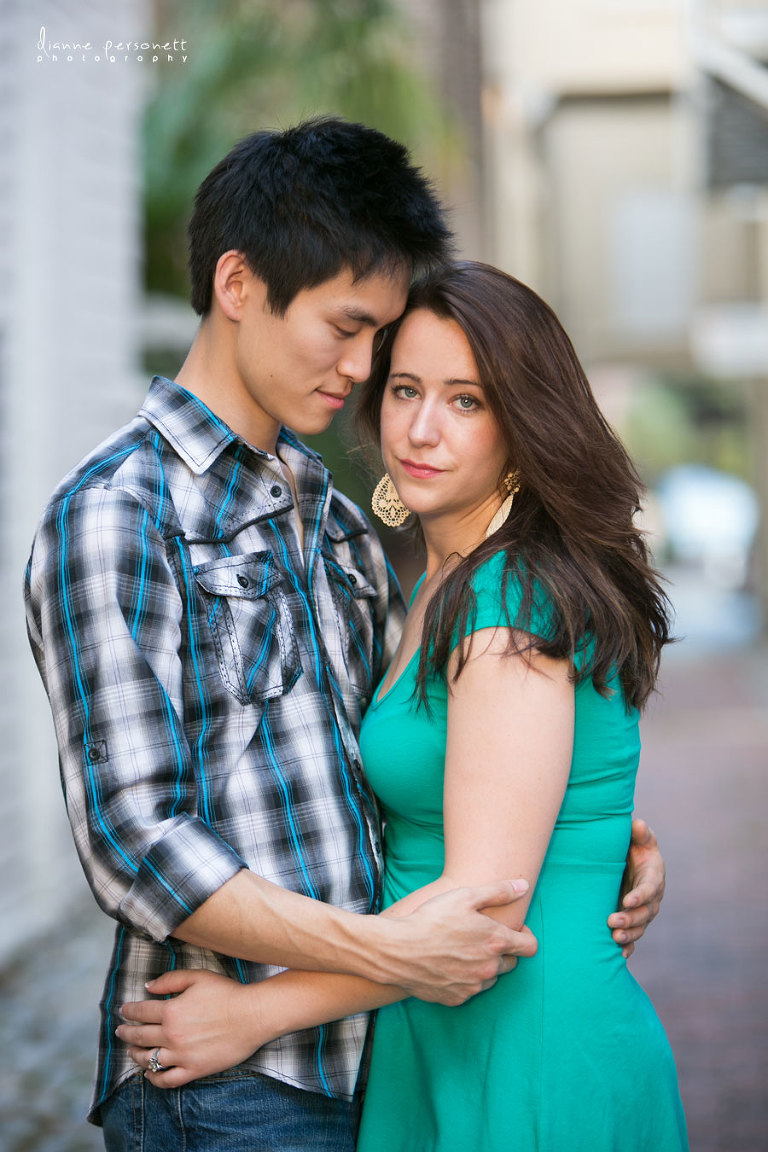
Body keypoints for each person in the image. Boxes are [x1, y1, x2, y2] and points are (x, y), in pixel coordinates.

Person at [25, 116, 666, 1152]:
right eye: (351, 331)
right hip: (228, 1074)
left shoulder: (333, 516)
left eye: (392, 350)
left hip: (385, 1051)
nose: (368, 373)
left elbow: (415, 763)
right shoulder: (119, 513)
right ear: (239, 286)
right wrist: (391, 953)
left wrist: (596, 840)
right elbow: (136, 839)